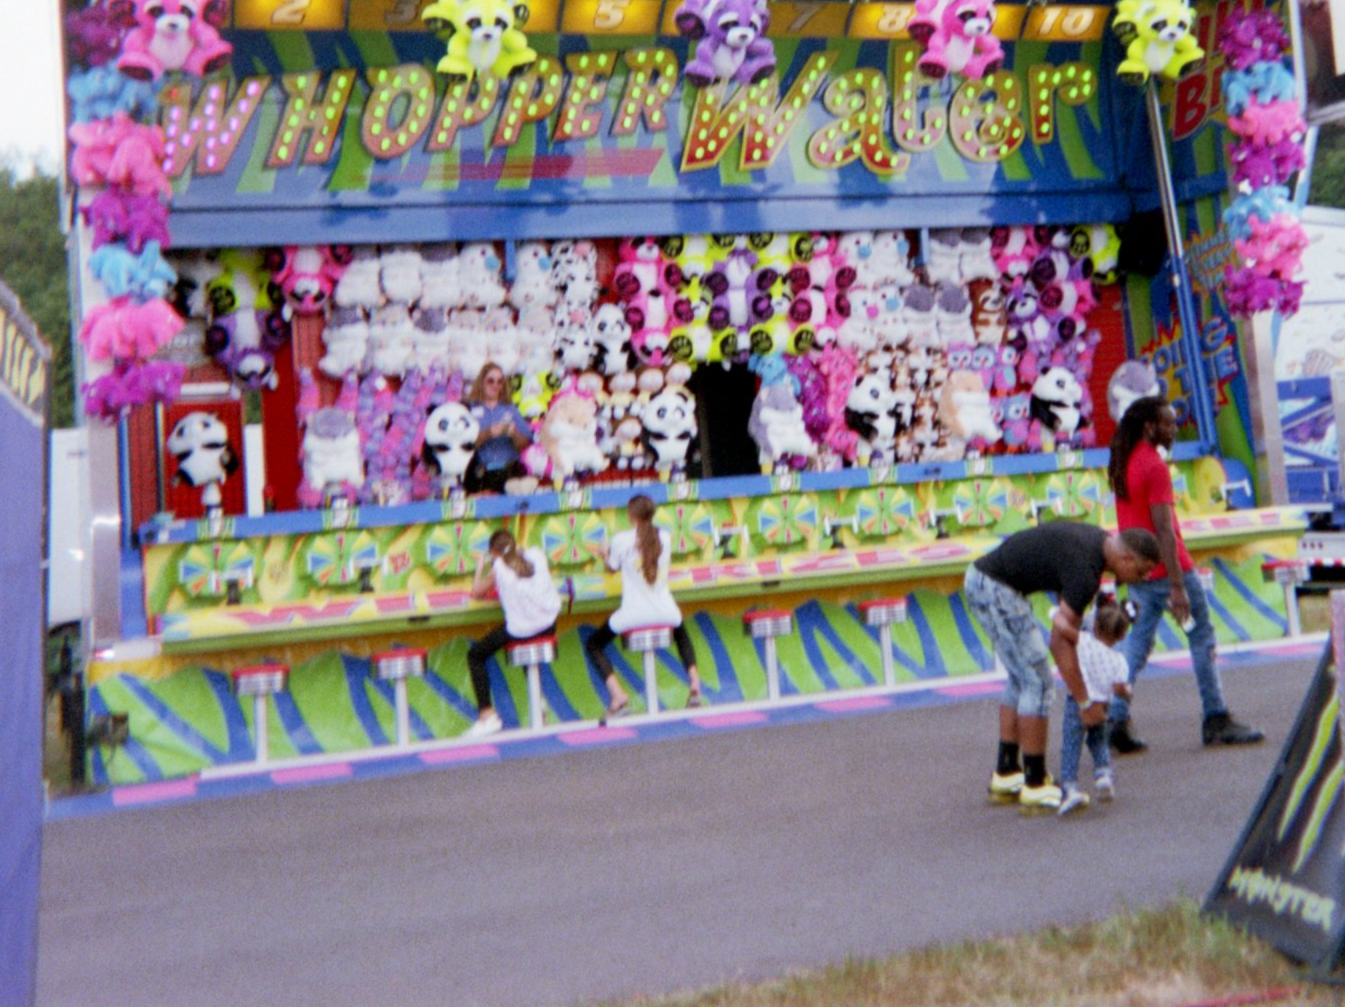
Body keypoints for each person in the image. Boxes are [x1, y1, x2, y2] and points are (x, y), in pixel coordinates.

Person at [963, 521, 1160, 811]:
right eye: (1140, 571)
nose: (1140, 579)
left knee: (1022, 677)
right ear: (1126, 559)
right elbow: (1060, 643)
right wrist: (1085, 701)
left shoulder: (1095, 543)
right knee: (1037, 682)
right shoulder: (1085, 573)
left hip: (985, 580)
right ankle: (1035, 782)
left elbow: (1067, 623)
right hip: (995, 588)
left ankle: (1006, 773)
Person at [1106, 396, 1264, 752]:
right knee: (1201, 638)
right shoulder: (1155, 467)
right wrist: (1178, 586)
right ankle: (1216, 717)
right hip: (1170, 572)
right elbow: (1164, 530)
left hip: (1140, 573)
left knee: (1137, 645)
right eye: (1168, 423)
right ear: (1149, 427)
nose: (1174, 429)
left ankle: (1116, 718)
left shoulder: (1124, 462)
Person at [585, 495, 704, 715]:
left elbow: (612, 568)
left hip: (633, 613)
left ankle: (618, 695)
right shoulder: (665, 537)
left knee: (593, 643)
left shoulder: (621, 540)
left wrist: (604, 553)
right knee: (680, 632)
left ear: (631, 516)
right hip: (665, 610)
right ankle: (695, 682)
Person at [464, 529, 562, 737]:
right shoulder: (536, 554)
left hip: (522, 629)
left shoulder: (498, 567)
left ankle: (487, 715)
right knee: (530, 654)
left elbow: (477, 592)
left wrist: (481, 566)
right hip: (549, 624)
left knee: (475, 656)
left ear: (495, 553)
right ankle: (540, 708)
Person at [1057, 599, 1133, 817]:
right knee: (1098, 740)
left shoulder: (1086, 642)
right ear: (1121, 635)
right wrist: (1127, 693)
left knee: (1071, 744)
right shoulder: (1119, 660)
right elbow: (1120, 688)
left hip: (1078, 702)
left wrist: (1056, 614)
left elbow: (1064, 630)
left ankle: (1070, 787)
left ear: (1095, 626)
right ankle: (1103, 775)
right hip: (1102, 706)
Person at [465, 362, 532, 452]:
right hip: (481, 465)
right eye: (490, 381)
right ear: (481, 382)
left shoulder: (510, 407)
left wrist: (514, 434)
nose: (495, 385)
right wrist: (486, 434)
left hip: (510, 465)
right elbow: (465, 445)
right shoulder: (470, 407)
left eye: (500, 381)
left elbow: (527, 442)